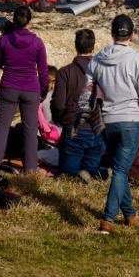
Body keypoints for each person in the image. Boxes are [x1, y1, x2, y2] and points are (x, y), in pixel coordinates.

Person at [88, 15, 139, 234]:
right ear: (132, 34)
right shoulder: (137, 61)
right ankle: (107, 219)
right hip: (131, 119)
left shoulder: (97, 60)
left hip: (107, 120)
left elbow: (87, 91)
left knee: (120, 169)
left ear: (112, 33)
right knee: (119, 170)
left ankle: (130, 214)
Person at [0, 6, 49, 174]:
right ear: (29, 21)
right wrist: (43, 90)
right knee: (30, 130)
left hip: (9, 86)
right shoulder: (37, 42)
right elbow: (43, 71)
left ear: (14, 20)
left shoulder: (5, 39)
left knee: (1, 128)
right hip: (30, 89)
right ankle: (30, 168)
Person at [51, 29, 104, 179]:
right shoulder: (102, 71)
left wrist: (61, 120)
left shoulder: (64, 72)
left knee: (68, 176)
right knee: (91, 173)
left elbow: (59, 105)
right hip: (96, 128)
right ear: (93, 47)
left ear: (75, 46)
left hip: (73, 128)